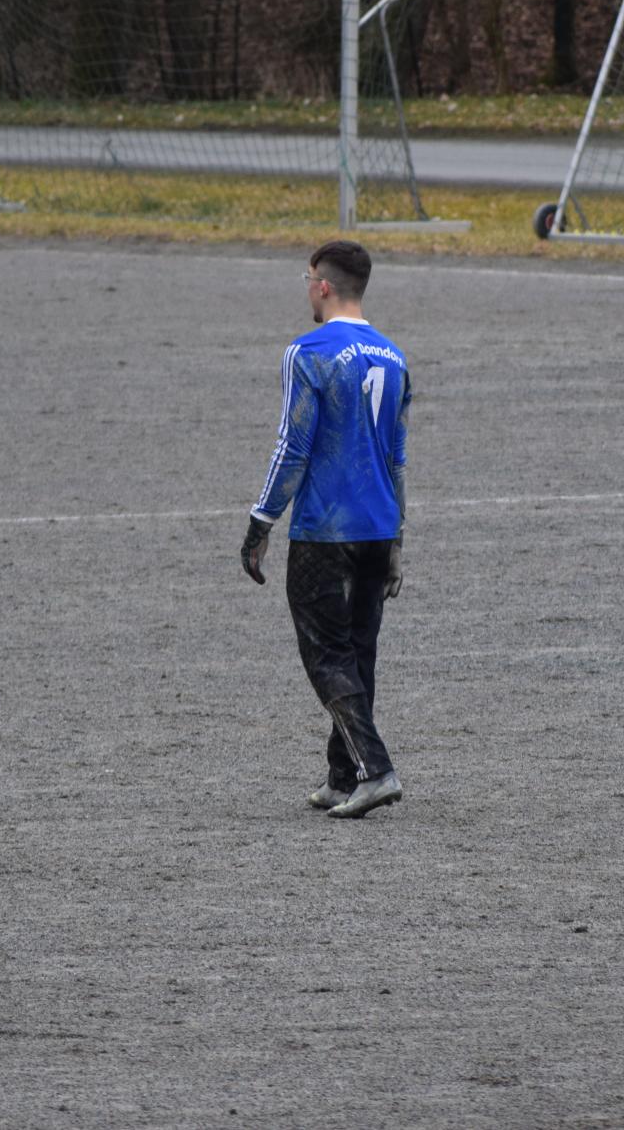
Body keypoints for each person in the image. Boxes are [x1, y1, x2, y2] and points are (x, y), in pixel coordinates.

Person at [240, 240, 411, 819]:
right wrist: (398, 542)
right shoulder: (394, 356)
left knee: (325, 655)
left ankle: (376, 768)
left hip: (325, 529)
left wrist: (260, 523)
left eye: (306, 277)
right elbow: (397, 458)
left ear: (322, 285)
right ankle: (343, 774)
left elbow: (293, 446)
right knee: (358, 651)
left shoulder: (306, 352)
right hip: (378, 525)